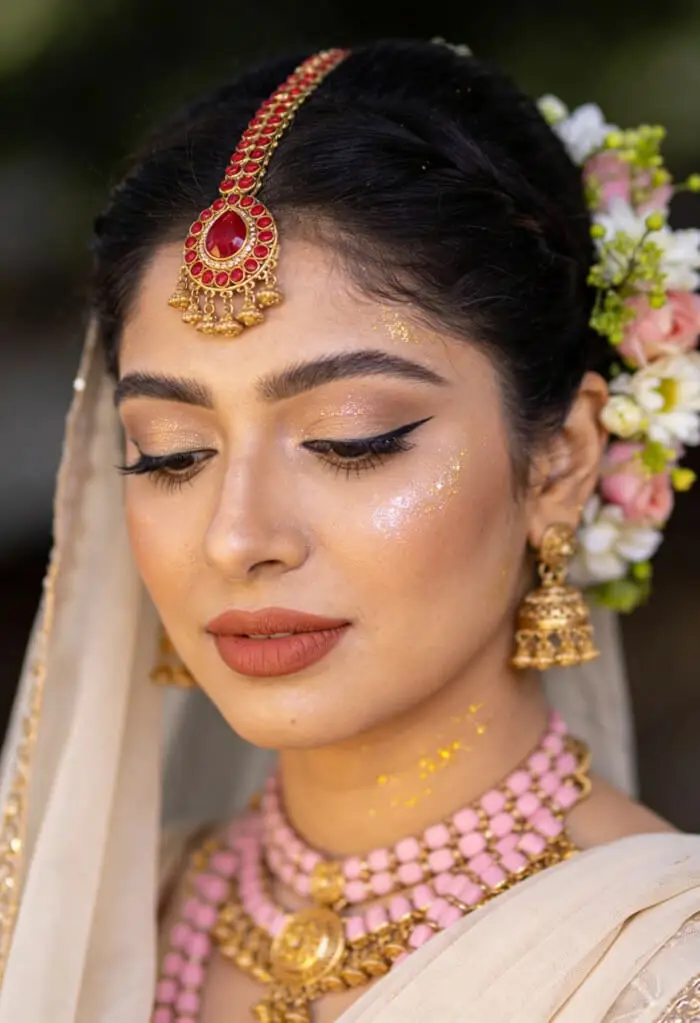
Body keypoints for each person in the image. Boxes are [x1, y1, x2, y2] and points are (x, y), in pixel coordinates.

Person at [0, 39, 699, 1023]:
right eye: (171, 454)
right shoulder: (77, 931)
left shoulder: (657, 973)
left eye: (350, 440)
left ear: (564, 459)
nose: (236, 538)